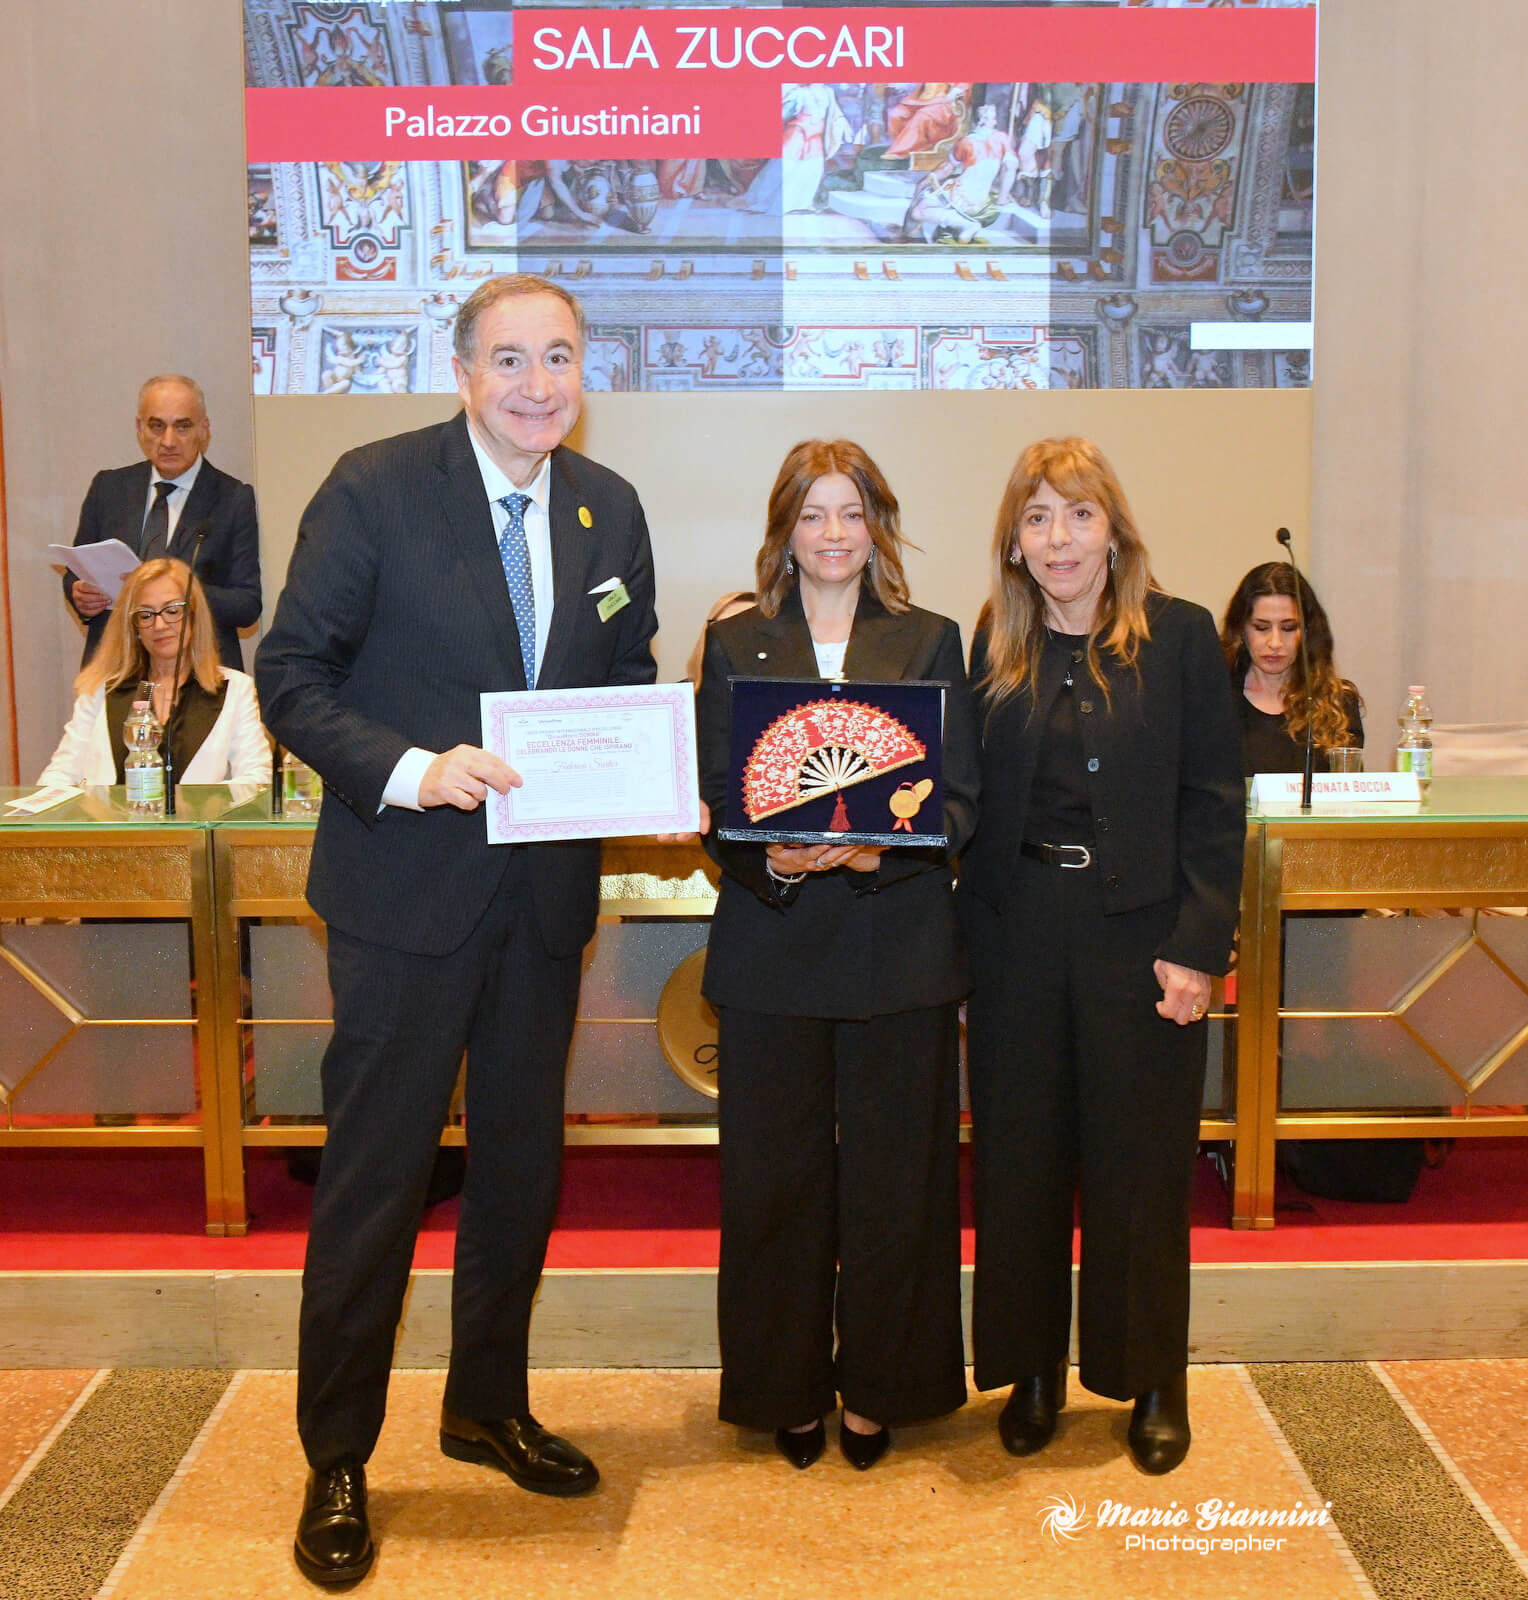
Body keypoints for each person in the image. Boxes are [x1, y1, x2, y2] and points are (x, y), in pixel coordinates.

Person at [255, 274, 659, 1586]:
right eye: (510, 358)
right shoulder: (373, 488)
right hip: (402, 900)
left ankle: (487, 1403)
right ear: (463, 369)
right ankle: (339, 1458)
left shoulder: (610, 511)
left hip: (543, 910)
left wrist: (652, 771)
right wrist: (416, 765)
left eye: (560, 356)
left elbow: (627, 674)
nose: (539, 382)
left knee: (523, 1176)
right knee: (375, 1188)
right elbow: (291, 678)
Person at [960, 437, 1243, 1475]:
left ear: (1114, 529)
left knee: (1139, 1168)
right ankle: (1028, 1371)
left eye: (1077, 515)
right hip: (1014, 934)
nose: (1058, 539)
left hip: (1142, 938)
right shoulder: (997, 642)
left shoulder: (1175, 638)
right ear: (1014, 541)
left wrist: (1197, 946)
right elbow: (961, 802)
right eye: (1036, 519)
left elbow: (1214, 803)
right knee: (1021, 1161)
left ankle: (1149, 1379)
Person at [695, 440, 978, 1472]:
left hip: (895, 948)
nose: (831, 534)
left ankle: (881, 1389)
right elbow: (718, 798)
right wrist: (763, 850)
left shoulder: (931, 640)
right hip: (770, 949)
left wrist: (871, 848)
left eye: (850, 514)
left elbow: (959, 802)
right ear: (784, 530)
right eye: (811, 515)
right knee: (774, 1186)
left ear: (878, 527)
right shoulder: (736, 644)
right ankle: (783, 1388)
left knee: (896, 1183)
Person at [65, 376, 261, 671]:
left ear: (203, 430)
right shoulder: (108, 488)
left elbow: (246, 605)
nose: (168, 441)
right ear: (140, 428)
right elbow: (74, 574)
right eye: (157, 426)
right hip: (116, 670)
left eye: (182, 426)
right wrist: (81, 595)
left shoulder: (232, 498)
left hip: (199, 674)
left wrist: (180, 591)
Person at [39, 557, 269, 789]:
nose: (159, 625)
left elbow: (257, 779)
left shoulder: (236, 689)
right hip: (111, 824)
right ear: (134, 626)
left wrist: (200, 804)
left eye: (172, 610)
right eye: (146, 615)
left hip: (197, 824)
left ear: (194, 615)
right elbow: (59, 775)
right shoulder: (100, 688)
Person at [1219, 561, 1364, 774]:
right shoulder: (1214, 698)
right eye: (1261, 627)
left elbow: (1349, 795)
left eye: (1288, 628)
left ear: (1306, 631)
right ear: (1241, 628)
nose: (1275, 642)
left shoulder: (1338, 702)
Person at [682, 590, 756, 686]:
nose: (731, 637)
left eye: (743, 628)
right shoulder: (678, 697)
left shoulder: (778, 696)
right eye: (723, 627)